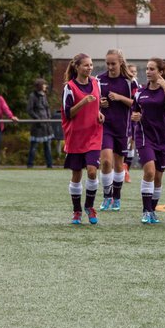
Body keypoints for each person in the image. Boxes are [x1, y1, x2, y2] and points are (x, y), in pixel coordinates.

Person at [131, 57, 165, 224]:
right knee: (149, 172)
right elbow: (134, 112)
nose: (148, 72)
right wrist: (135, 116)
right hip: (144, 137)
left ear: (160, 72)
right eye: (147, 69)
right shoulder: (140, 92)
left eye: (152, 69)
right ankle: (146, 211)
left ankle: (152, 210)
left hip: (162, 139)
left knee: (158, 178)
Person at [61, 53, 103, 225]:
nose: (89, 68)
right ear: (77, 67)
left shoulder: (96, 83)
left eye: (91, 65)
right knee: (77, 174)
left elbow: (97, 105)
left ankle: (89, 206)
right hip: (76, 136)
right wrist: (83, 102)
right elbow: (68, 113)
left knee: (92, 171)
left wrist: (100, 114)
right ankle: (77, 210)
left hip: (94, 134)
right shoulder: (69, 87)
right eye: (86, 65)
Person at [97, 49, 138, 211]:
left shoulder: (130, 82)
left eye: (113, 63)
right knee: (106, 161)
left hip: (122, 128)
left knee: (119, 164)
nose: (110, 67)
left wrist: (120, 98)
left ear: (121, 63)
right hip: (104, 126)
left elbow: (137, 103)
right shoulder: (99, 80)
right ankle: (107, 196)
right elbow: (92, 101)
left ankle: (117, 197)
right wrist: (100, 104)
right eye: (107, 64)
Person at [26, 78, 54, 169]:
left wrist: (49, 117)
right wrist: (38, 119)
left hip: (46, 124)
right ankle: (30, 164)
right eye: (44, 84)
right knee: (34, 146)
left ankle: (49, 164)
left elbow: (47, 108)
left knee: (48, 146)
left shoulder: (44, 95)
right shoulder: (32, 96)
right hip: (37, 125)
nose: (45, 86)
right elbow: (29, 110)